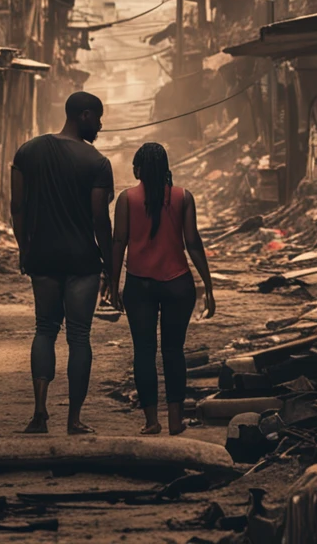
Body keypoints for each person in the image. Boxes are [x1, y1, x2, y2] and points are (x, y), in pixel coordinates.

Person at [10, 91, 115, 435]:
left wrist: (24, 249)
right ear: (84, 115)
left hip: (42, 257)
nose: (100, 125)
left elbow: (17, 207)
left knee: (44, 330)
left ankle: (39, 412)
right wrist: (112, 270)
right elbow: (101, 221)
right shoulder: (97, 162)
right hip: (83, 260)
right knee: (79, 337)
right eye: (98, 118)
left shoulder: (28, 152)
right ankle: (74, 419)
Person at [112, 142, 215, 436]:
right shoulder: (184, 197)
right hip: (178, 283)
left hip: (138, 284)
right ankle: (174, 421)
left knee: (144, 352)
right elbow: (193, 243)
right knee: (173, 351)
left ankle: (150, 422)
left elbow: (118, 242)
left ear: (138, 169)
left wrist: (113, 281)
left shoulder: (126, 199)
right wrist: (207, 285)